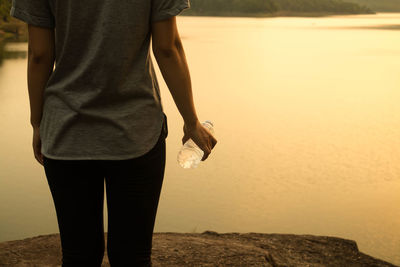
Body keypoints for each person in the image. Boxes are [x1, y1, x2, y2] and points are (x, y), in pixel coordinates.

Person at [10, 0, 217, 266]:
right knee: (133, 256)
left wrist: (37, 122)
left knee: (78, 256)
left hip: (66, 130)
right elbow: (167, 48)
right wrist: (191, 121)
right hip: (137, 131)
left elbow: (39, 54)